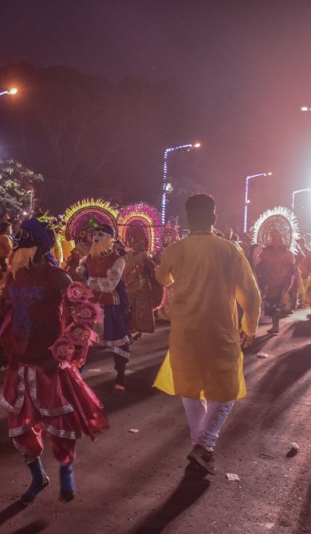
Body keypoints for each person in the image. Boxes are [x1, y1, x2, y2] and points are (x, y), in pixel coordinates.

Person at [0, 217, 108, 506]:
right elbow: (1, 312)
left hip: (48, 364)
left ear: (41, 249)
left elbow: (84, 316)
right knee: (19, 427)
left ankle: (66, 471)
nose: (17, 253)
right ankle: (38, 476)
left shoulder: (59, 278)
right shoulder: (12, 277)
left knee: (59, 422)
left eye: (25, 248)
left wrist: (62, 352)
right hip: (19, 363)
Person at [153, 194, 260, 475]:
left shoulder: (175, 250)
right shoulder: (230, 249)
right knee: (225, 390)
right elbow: (250, 293)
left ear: (188, 219)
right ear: (213, 218)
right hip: (219, 330)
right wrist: (250, 326)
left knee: (191, 389)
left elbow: (163, 279)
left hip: (185, 332)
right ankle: (205, 445)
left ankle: (201, 446)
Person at [78, 223, 132, 391]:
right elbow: (77, 276)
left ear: (110, 239)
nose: (96, 237)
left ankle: (121, 376)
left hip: (110, 307)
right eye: (95, 234)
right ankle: (76, 376)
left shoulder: (118, 260)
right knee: (81, 340)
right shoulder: (87, 259)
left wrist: (88, 281)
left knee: (118, 342)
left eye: (101, 234)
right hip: (90, 306)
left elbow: (109, 285)